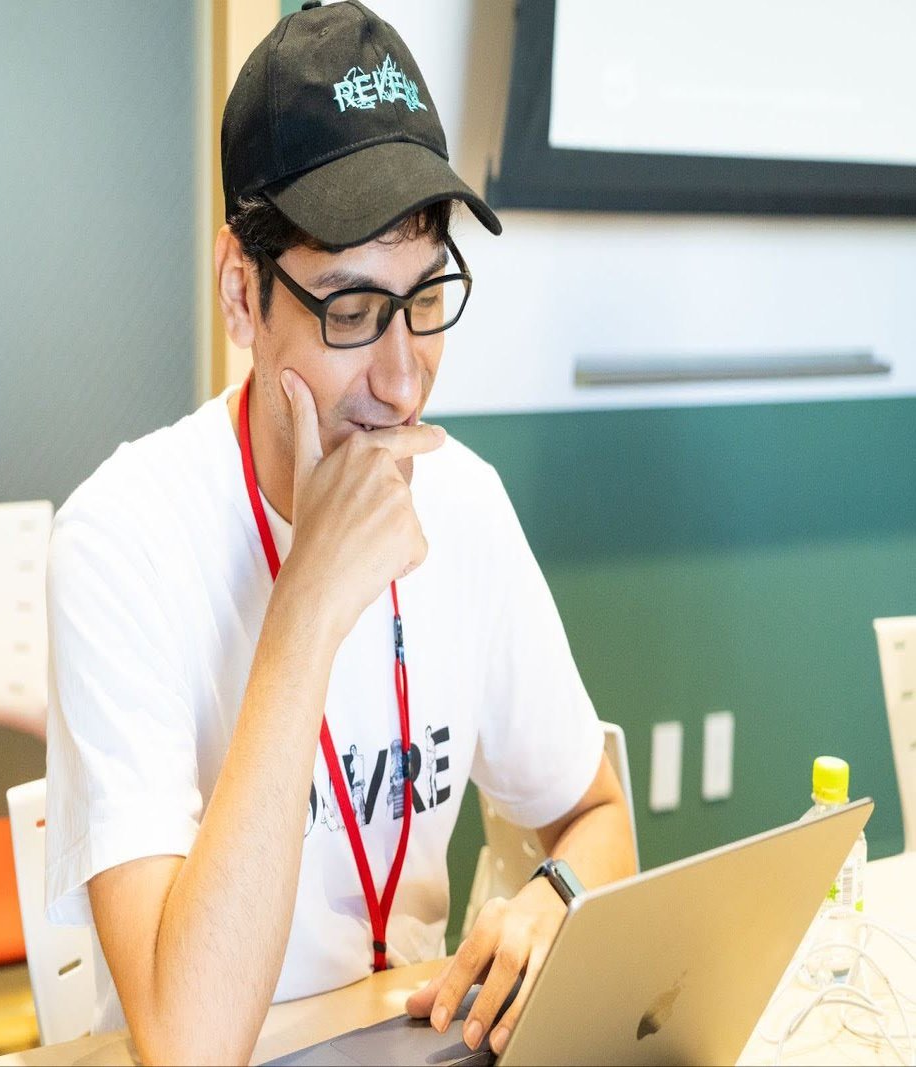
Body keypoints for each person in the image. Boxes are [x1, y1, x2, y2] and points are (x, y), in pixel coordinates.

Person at [44, 2, 636, 1064]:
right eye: (350, 311)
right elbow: (187, 1044)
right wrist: (307, 606)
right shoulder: (118, 539)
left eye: (426, 296)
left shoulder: (464, 501)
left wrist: (556, 893)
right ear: (241, 294)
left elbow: (594, 811)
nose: (402, 379)